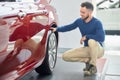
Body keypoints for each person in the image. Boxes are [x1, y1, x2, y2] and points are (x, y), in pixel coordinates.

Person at [51, 2, 105, 76]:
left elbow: (101, 38)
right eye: (80, 11)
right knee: (65, 56)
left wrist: (87, 36)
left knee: (91, 41)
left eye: (83, 12)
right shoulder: (79, 21)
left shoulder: (97, 23)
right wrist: (57, 29)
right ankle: (88, 61)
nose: (81, 14)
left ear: (90, 12)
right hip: (87, 49)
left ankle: (93, 66)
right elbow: (69, 27)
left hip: (98, 49)